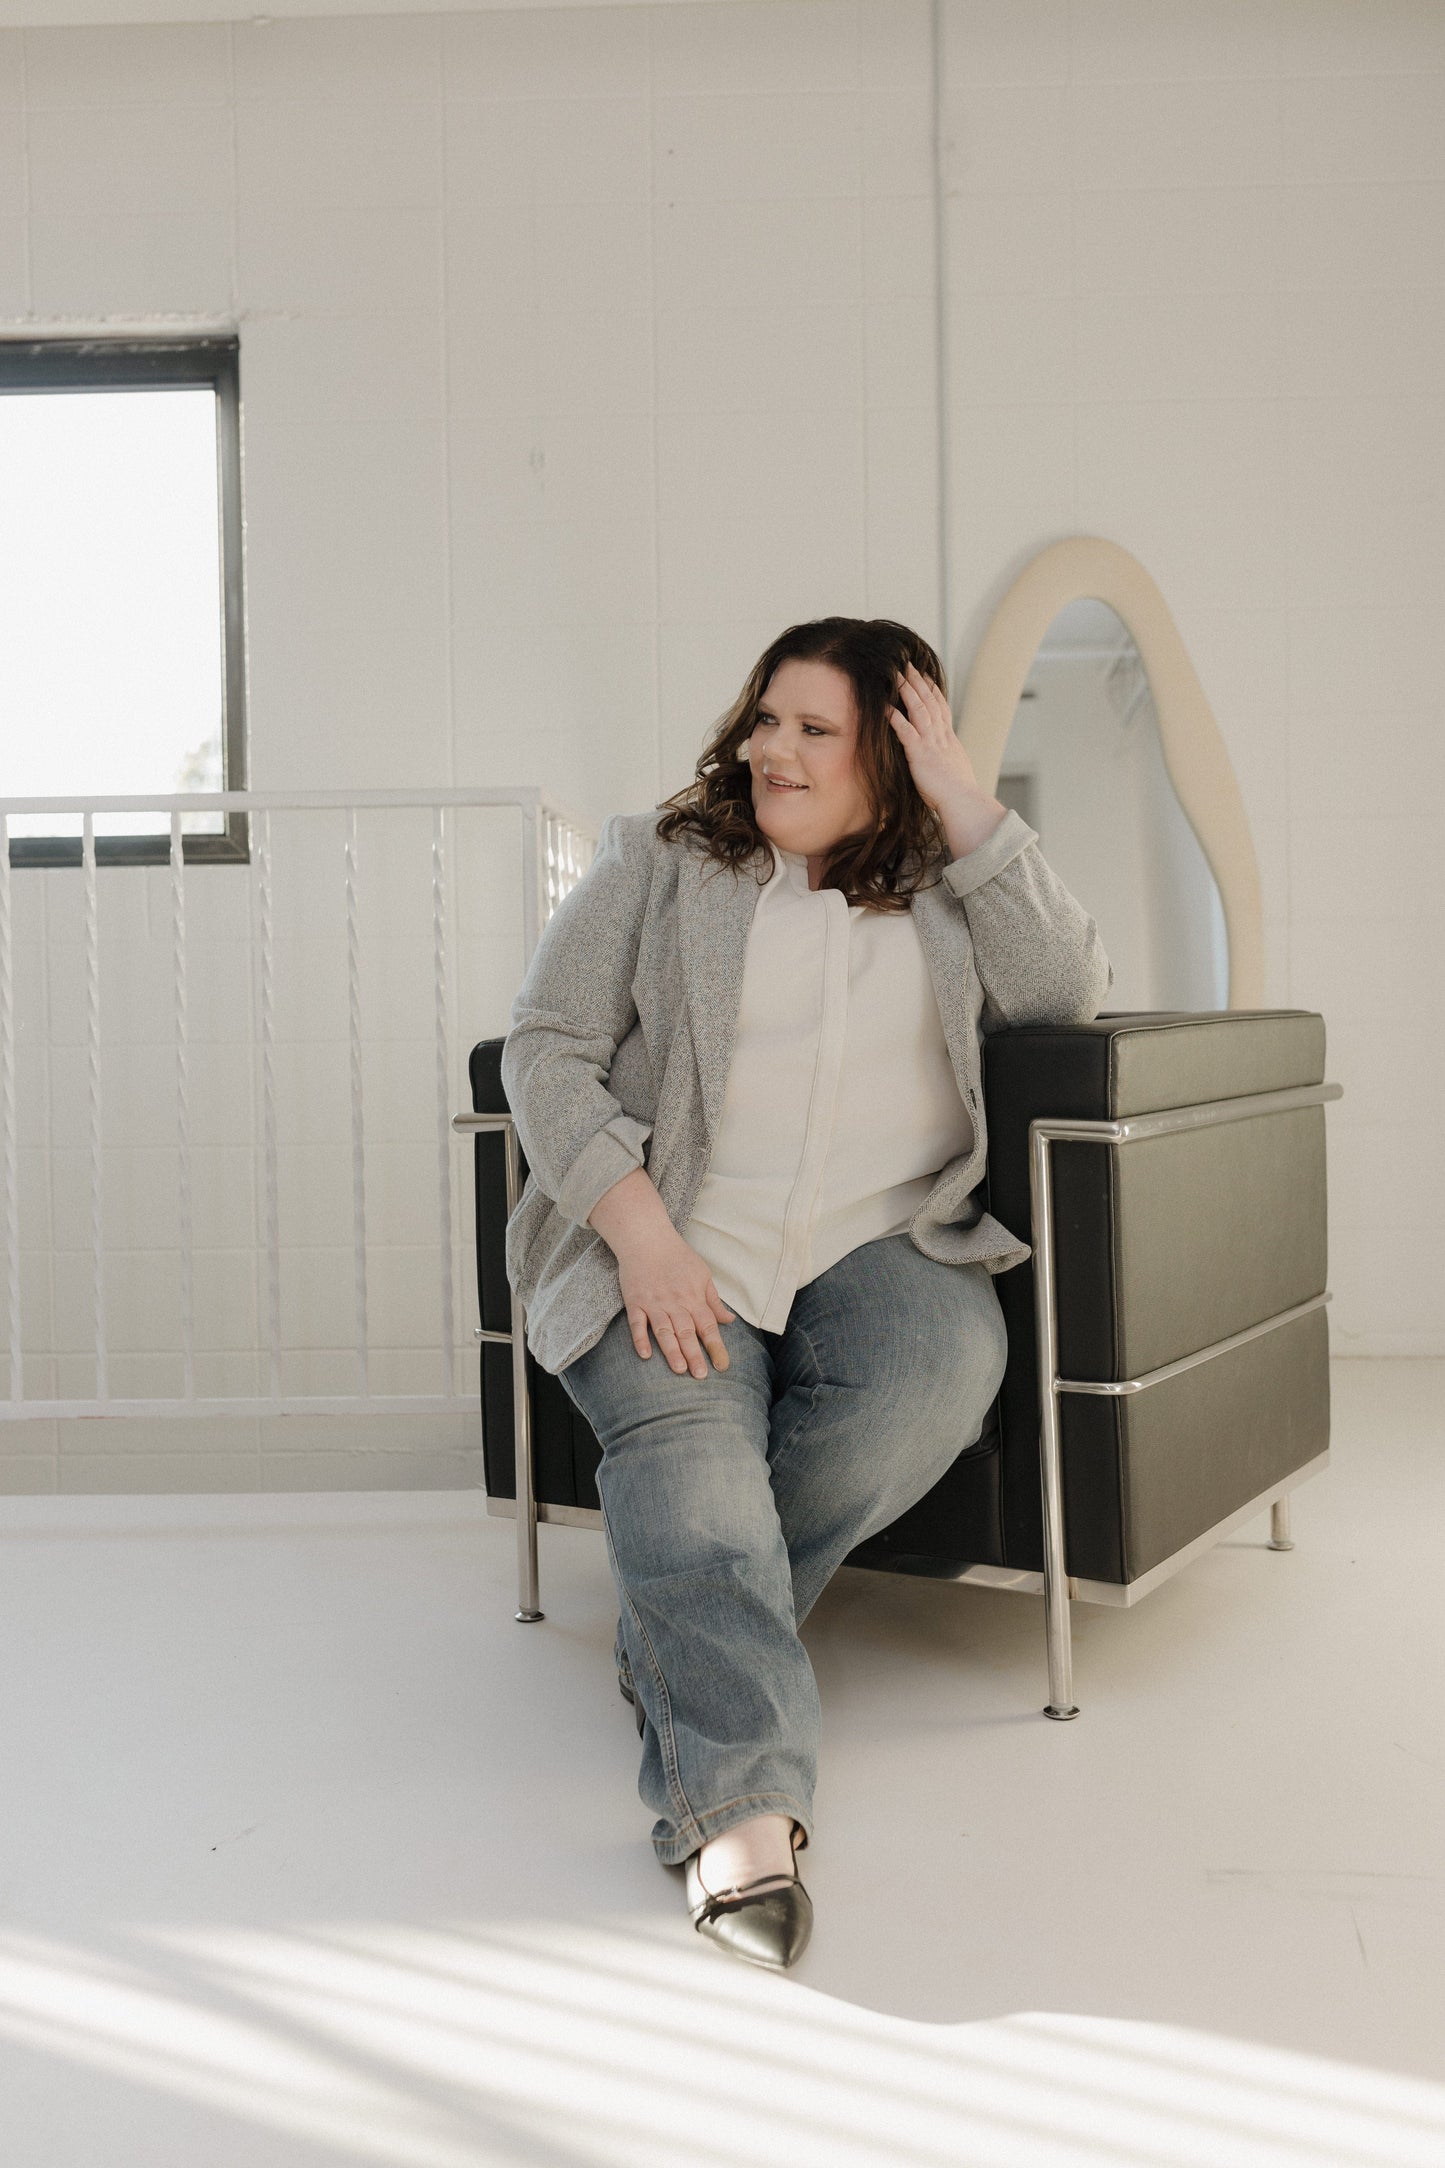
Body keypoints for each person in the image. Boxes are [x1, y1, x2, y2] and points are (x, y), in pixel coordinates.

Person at [500, 617, 1112, 1972]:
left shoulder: (951, 892)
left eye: (814, 729)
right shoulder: (656, 862)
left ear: (893, 753)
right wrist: (642, 1236)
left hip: (877, 1241)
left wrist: (966, 809)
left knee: (937, 1374)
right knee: (693, 1456)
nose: (771, 747)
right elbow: (543, 1054)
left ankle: (680, 1630)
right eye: (765, 718)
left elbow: (1068, 993)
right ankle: (742, 1813)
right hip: (667, 1232)